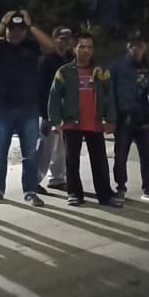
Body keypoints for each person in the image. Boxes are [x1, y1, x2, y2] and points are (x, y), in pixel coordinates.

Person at [0, 10, 56, 206]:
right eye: (12, 29)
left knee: (30, 154)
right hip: (2, 108)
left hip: (28, 109)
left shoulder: (32, 46)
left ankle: (30, 191)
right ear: (7, 30)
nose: (16, 33)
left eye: (20, 29)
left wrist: (31, 26)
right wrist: (2, 24)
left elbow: (51, 47)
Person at [48, 31, 120, 208]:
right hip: (71, 123)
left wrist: (111, 120)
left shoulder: (101, 72)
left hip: (95, 124)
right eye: (82, 47)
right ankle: (74, 193)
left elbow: (110, 97)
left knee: (100, 162)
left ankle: (105, 195)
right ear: (74, 48)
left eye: (89, 47)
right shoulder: (64, 72)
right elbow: (54, 97)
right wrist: (55, 121)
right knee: (71, 161)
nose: (86, 50)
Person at [110, 31, 149, 203]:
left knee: (148, 157)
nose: (136, 49)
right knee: (120, 157)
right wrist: (109, 118)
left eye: (140, 45)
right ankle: (120, 188)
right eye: (132, 45)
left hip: (145, 118)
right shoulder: (117, 67)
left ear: (145, 47)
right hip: (124, 119)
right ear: (127, 47)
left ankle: (148, 189)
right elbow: (108, 93)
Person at [34, 26, 74, 193]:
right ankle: (33, 180)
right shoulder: (47, 61)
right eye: (62, 39)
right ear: (54, 39)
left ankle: (57, 179)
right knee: (45, 149)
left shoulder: (71, 59)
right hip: (50, 113)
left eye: (68, 39)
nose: (65, 42)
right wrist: (46, 115)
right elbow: (41, 90)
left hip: (67, 111)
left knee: (62, 149)